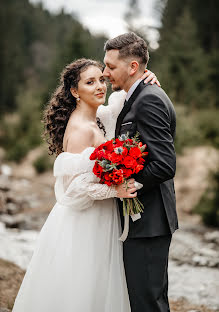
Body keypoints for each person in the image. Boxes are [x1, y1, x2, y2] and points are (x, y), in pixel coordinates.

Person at [12, 58, 158, 311]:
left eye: (101, 79)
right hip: (85, 221)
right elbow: (73, 189)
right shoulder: (80, 128)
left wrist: (145, 78)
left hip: (100, 216)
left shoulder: (98, 117)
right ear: (74, 91)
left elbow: (119, 104)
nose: (100, 86)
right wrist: (116, 190)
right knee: (84, 285)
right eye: (90, 82)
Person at [103, 32, 178, 312]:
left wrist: (125, 183)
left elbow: (164, 165)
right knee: (145, 300)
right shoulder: (133, 97)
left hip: (149, 220)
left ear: (133, 67)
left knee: (148, 304)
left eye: (111, 66)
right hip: (141, 222)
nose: (105, 72)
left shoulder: (149, 99)